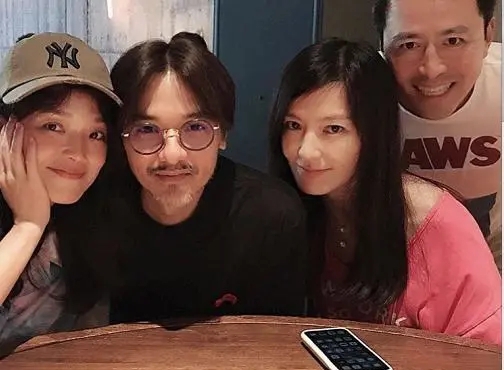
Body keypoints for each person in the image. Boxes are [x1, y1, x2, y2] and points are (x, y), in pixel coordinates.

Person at [269, 38, 501, 344]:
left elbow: (488, 355)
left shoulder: (438, 226)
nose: (306, 152)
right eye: (293, 125)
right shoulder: (299, 212)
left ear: (374, 133)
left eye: (334, 129)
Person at [106, 32, 306, 323]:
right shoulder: (98, 211)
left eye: (195, 127)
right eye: (146, 130)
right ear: (120, 139)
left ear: (223, 134)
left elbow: (275, 339)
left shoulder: (271, 218)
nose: (172, 155)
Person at [0, 32, 121, 356]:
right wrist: (27, 225)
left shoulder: (98, 217)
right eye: (53, 126)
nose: (78, 153)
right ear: (4, 128)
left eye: (95, 134)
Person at [373, 0, 502, 270]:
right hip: (392, 265)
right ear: (382, 43)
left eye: (453, 41)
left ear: (488, 34)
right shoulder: (356, 97)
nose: (432, 70)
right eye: (409, 45)